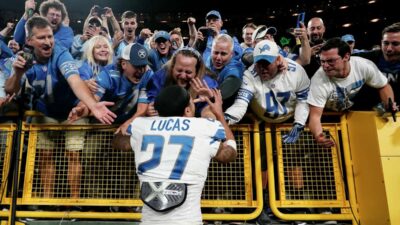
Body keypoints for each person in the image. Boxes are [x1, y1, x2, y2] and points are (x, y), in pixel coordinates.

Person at [5, 16, 116, 199]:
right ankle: (47, 201)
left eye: (50, 36)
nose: (48, 42)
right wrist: (17, 73)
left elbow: (75, 81)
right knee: (45, 156)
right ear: (29, 40)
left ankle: (72, 203)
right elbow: (10, 89)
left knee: (73, 155)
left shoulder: (61, 53)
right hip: (46, 112)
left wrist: (93, 105)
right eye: (42, 38)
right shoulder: (24, 58)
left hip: (72, 111)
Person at [114, 85, 237, 225]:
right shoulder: (204, 127)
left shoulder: (141, 125)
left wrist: (140, 114)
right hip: (187, 220)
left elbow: (119, 141)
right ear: (187, 109)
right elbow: (229, 154)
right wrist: (219, 115)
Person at [307, 38, 397, 147]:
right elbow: (315, 117)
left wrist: (389, 104)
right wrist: (319, 136)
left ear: (346, 57)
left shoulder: (363, 66)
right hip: (328, 117)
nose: (325, 66)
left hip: (353, 113)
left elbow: (383, 86)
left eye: (330, 61)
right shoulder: (318, 80)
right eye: (322, 61)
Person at [117, 47, 218, 135]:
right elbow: (153, 107)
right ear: (172, 67)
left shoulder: (206, 83)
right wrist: (150, 110)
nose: (183, 76)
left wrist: (210, 103)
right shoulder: (159, 78)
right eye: (179, 70)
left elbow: (209, 113)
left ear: (197, 71)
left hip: (194, 129)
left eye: (188, 72)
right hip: (163, 127)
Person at [352, 22, 400, 110]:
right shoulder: (365, 59)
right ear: (381, 42)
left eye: (395, 44)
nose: (389, 49)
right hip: (365, 115)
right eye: (385, 43)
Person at [207, 34, 244, 110]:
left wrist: (207, 96)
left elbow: (233, 80)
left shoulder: (234, 67)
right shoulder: (210, 60)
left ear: (231, 54)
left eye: (223, 54)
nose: (218, 58)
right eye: (216, 53)